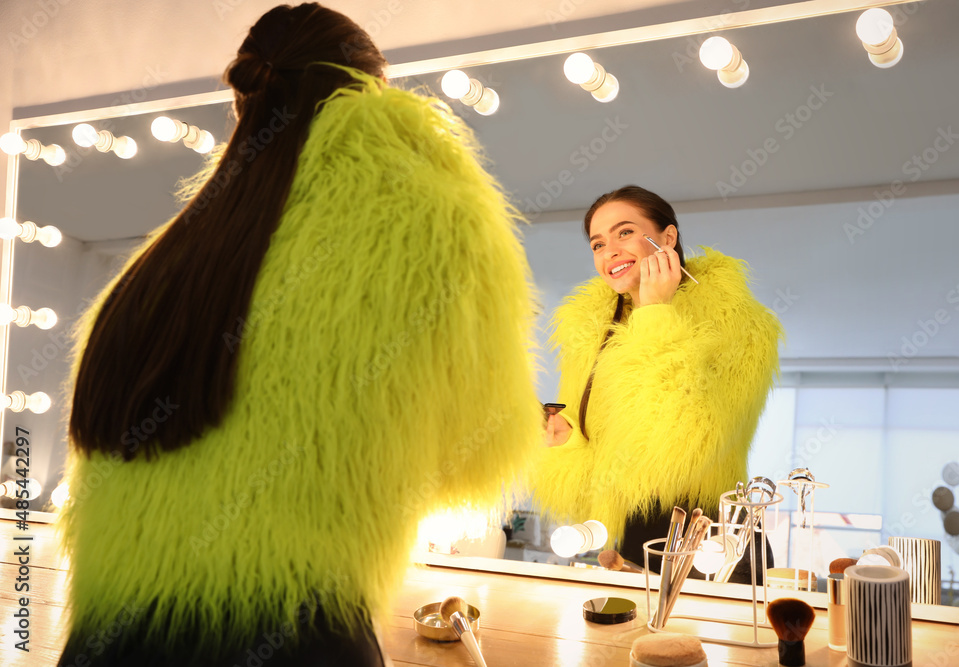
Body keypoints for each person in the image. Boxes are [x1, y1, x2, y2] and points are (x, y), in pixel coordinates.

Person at [58, 5, 539, 666]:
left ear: (247, 107)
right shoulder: (435, 217)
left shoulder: (160, 266)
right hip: (296, 634)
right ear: (370, 90)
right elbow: (476, 455)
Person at [532, 185, 782, 573]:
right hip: (630, 527)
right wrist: (567, 440)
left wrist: (656, 314)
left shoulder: (742, 325)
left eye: (625, 232)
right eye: (598, 243)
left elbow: (687, 441)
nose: (609, 250)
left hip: (713, 535)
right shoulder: (590, 331)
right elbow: (600, 455)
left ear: (667, 238)